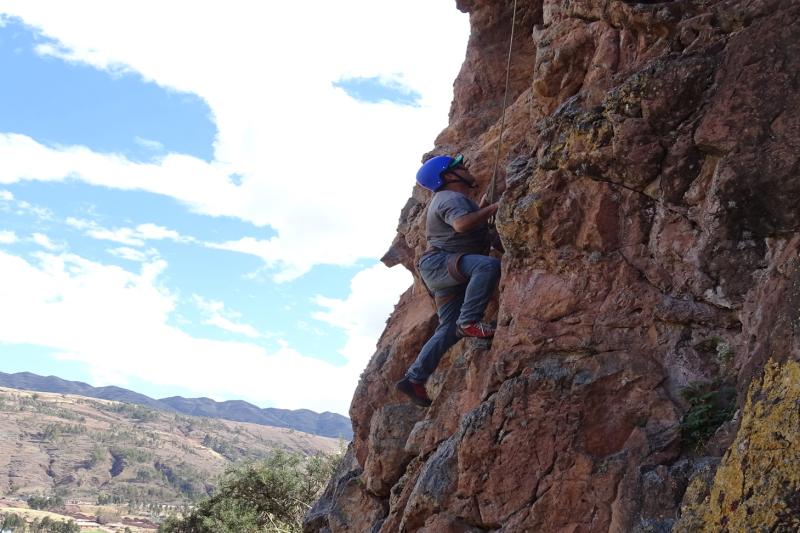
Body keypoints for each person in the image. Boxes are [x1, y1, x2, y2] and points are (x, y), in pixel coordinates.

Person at [396, 154, 501, 407]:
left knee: (447, 328)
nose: (467, 167)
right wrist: (496, 207)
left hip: (439, 270)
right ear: (448, 176)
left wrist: (485, 210)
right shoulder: (449, 198)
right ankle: (470, 321)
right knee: (487, 267)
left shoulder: (454, 199)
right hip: (441, 264)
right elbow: (462, 225)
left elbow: (473, 226)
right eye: (460, 167)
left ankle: (414, 379)